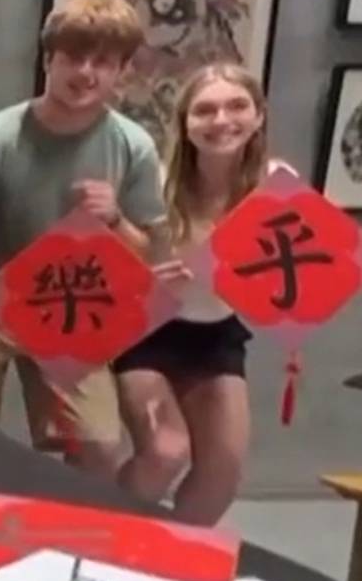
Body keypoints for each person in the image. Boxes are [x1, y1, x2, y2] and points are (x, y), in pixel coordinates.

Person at [0, 0, 164, 474]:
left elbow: (147, 253)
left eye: (102, 62)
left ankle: (65, 519)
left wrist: (115, 220)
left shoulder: (134, 146)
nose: (85, 73)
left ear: (121, 72)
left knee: (100, 447)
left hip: (70, 306)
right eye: (73, 58)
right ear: (48, 61)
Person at [115, 64, 280, 526]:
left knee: (221, 476)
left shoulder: (273, 184)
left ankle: (168, 554)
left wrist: (357, 262)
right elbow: (112, 261)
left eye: (236, 106)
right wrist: (147, 278)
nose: (221, 120)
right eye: (205, 110)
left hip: (215, 332)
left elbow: (301, 269)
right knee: (164, 452)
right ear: (184, 124)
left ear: (258, 116)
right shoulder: (154, 181)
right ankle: (104, 539)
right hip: (147, 329)